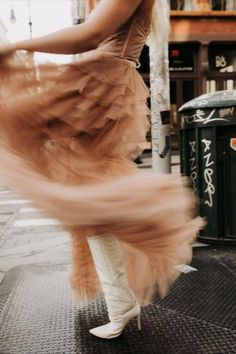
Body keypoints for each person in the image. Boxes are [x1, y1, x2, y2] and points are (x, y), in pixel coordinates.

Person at [0, 0, 203, 340]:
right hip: (98, 82)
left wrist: (18, 44)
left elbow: (90, 34)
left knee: (20, 128)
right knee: (87, 201)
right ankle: (121, 304)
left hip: (99, 84)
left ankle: (147, 220)